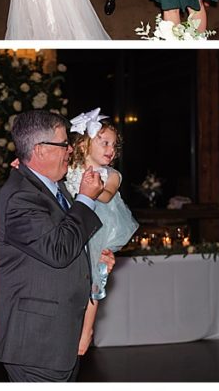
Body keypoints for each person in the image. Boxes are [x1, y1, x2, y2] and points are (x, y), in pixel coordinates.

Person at [0, 110, 112, 382]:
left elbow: (70, 242)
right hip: (36, 343)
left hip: (56, 337)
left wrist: (96, 262)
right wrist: (86, 200)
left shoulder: (52, 188)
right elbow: (58, 250)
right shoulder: (20, 198)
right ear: (40, 150)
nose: (70, 149)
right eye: (63, 143)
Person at [64, 110, 138, 356]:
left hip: (98, 231)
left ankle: (86, 331)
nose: (111, 149)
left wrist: (92, 187)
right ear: (84, 144)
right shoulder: (69, 168)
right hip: (72, 228)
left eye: (114, 145)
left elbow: (106, 195)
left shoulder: (112, 175)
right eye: (104, 142)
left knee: (94, 277)